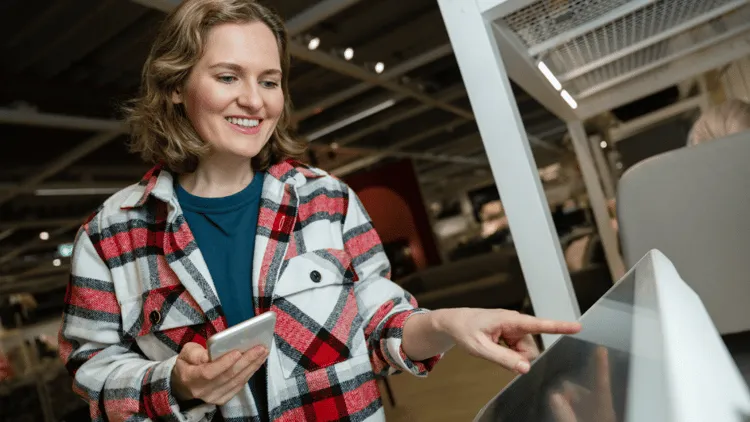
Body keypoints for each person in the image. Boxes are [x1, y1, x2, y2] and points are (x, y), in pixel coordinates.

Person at [57, 1, 581, 421]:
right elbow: (91, 368)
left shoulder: (326, 201)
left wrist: (445, 322)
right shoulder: (112, 234)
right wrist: (174, 380)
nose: (254, 100)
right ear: (176, 87)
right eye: (227, 77)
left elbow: (381, 324)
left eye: (268, 80)